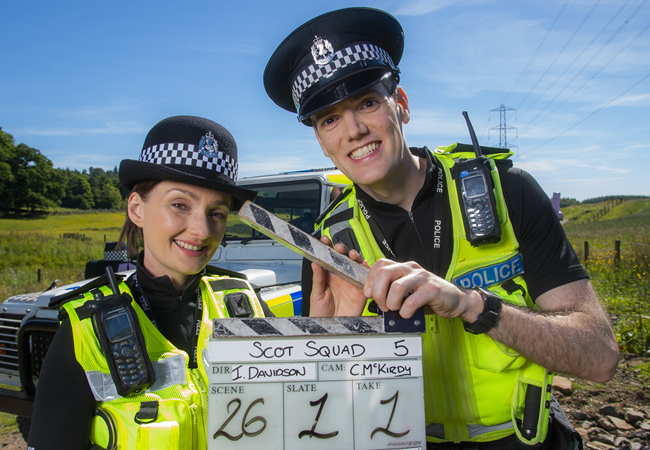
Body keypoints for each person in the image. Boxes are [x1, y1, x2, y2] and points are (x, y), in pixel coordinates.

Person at [263, 7, 619, 449]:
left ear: (402, 106)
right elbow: (317, 419)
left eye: (367, 102)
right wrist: (331, 341)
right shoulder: (327, 245)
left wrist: (474, 307)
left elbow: (600, 357)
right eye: (329, 119)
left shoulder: (507, 192)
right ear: (320, 139)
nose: (353, 130)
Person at [27, 115, 271, 449]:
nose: (201, 231)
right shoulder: (84, 329)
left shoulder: (248, 306)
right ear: (137, 209)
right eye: (180, 205)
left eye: (217, 213)